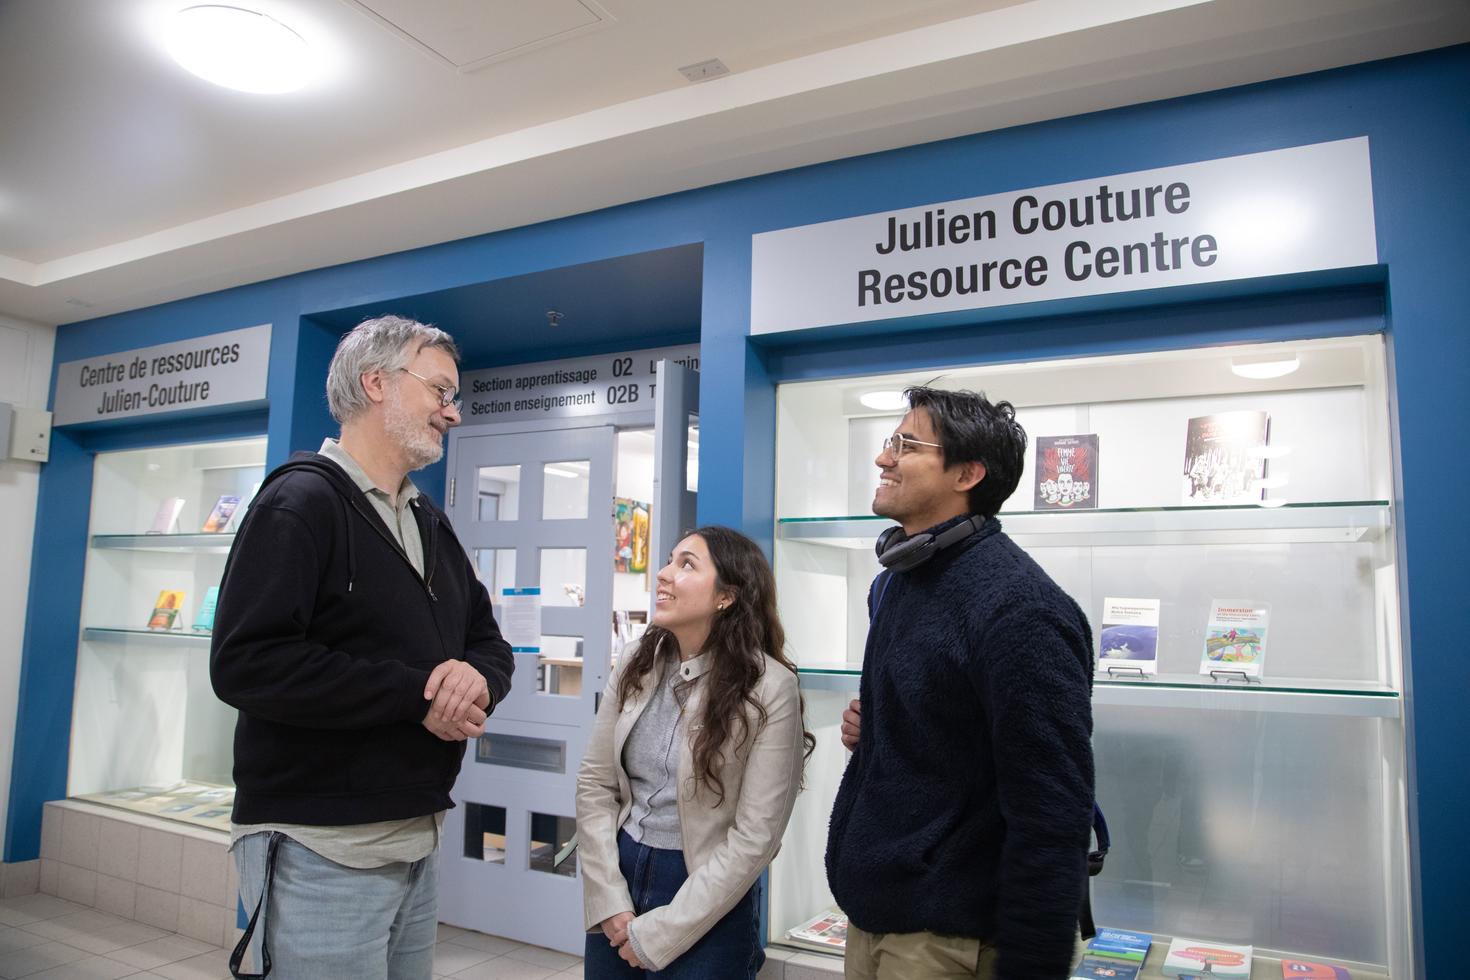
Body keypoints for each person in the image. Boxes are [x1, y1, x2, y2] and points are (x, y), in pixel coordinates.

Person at [210, 315, 514, 980]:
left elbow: (487, 641)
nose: (451, 413)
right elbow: (248, 663)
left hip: (414, 842)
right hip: (321, 849)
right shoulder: (299, 502)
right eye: (439, 391)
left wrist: (475, 679)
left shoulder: (426, 519)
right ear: (376, 382)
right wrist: (419, 694)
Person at [826, 386, 1095, 980]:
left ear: (967, 474)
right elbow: (941, 728)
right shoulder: (897, 580)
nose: (883, 458)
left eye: (906, 444)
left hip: (948, 938)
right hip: (874, 914)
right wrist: (881, 729)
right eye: (889, 441)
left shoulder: (1022, 610)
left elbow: (1052, 816)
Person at [576, 526, 814, 978]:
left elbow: (755, 837)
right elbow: (595, 783)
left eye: (686, 564)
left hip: (705, 889)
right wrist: (606, 896)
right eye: (669, 560)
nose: (663, 574)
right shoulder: (635, 661)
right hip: (621, 873)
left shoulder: (769, 687)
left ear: (727, 596)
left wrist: (663, 932)